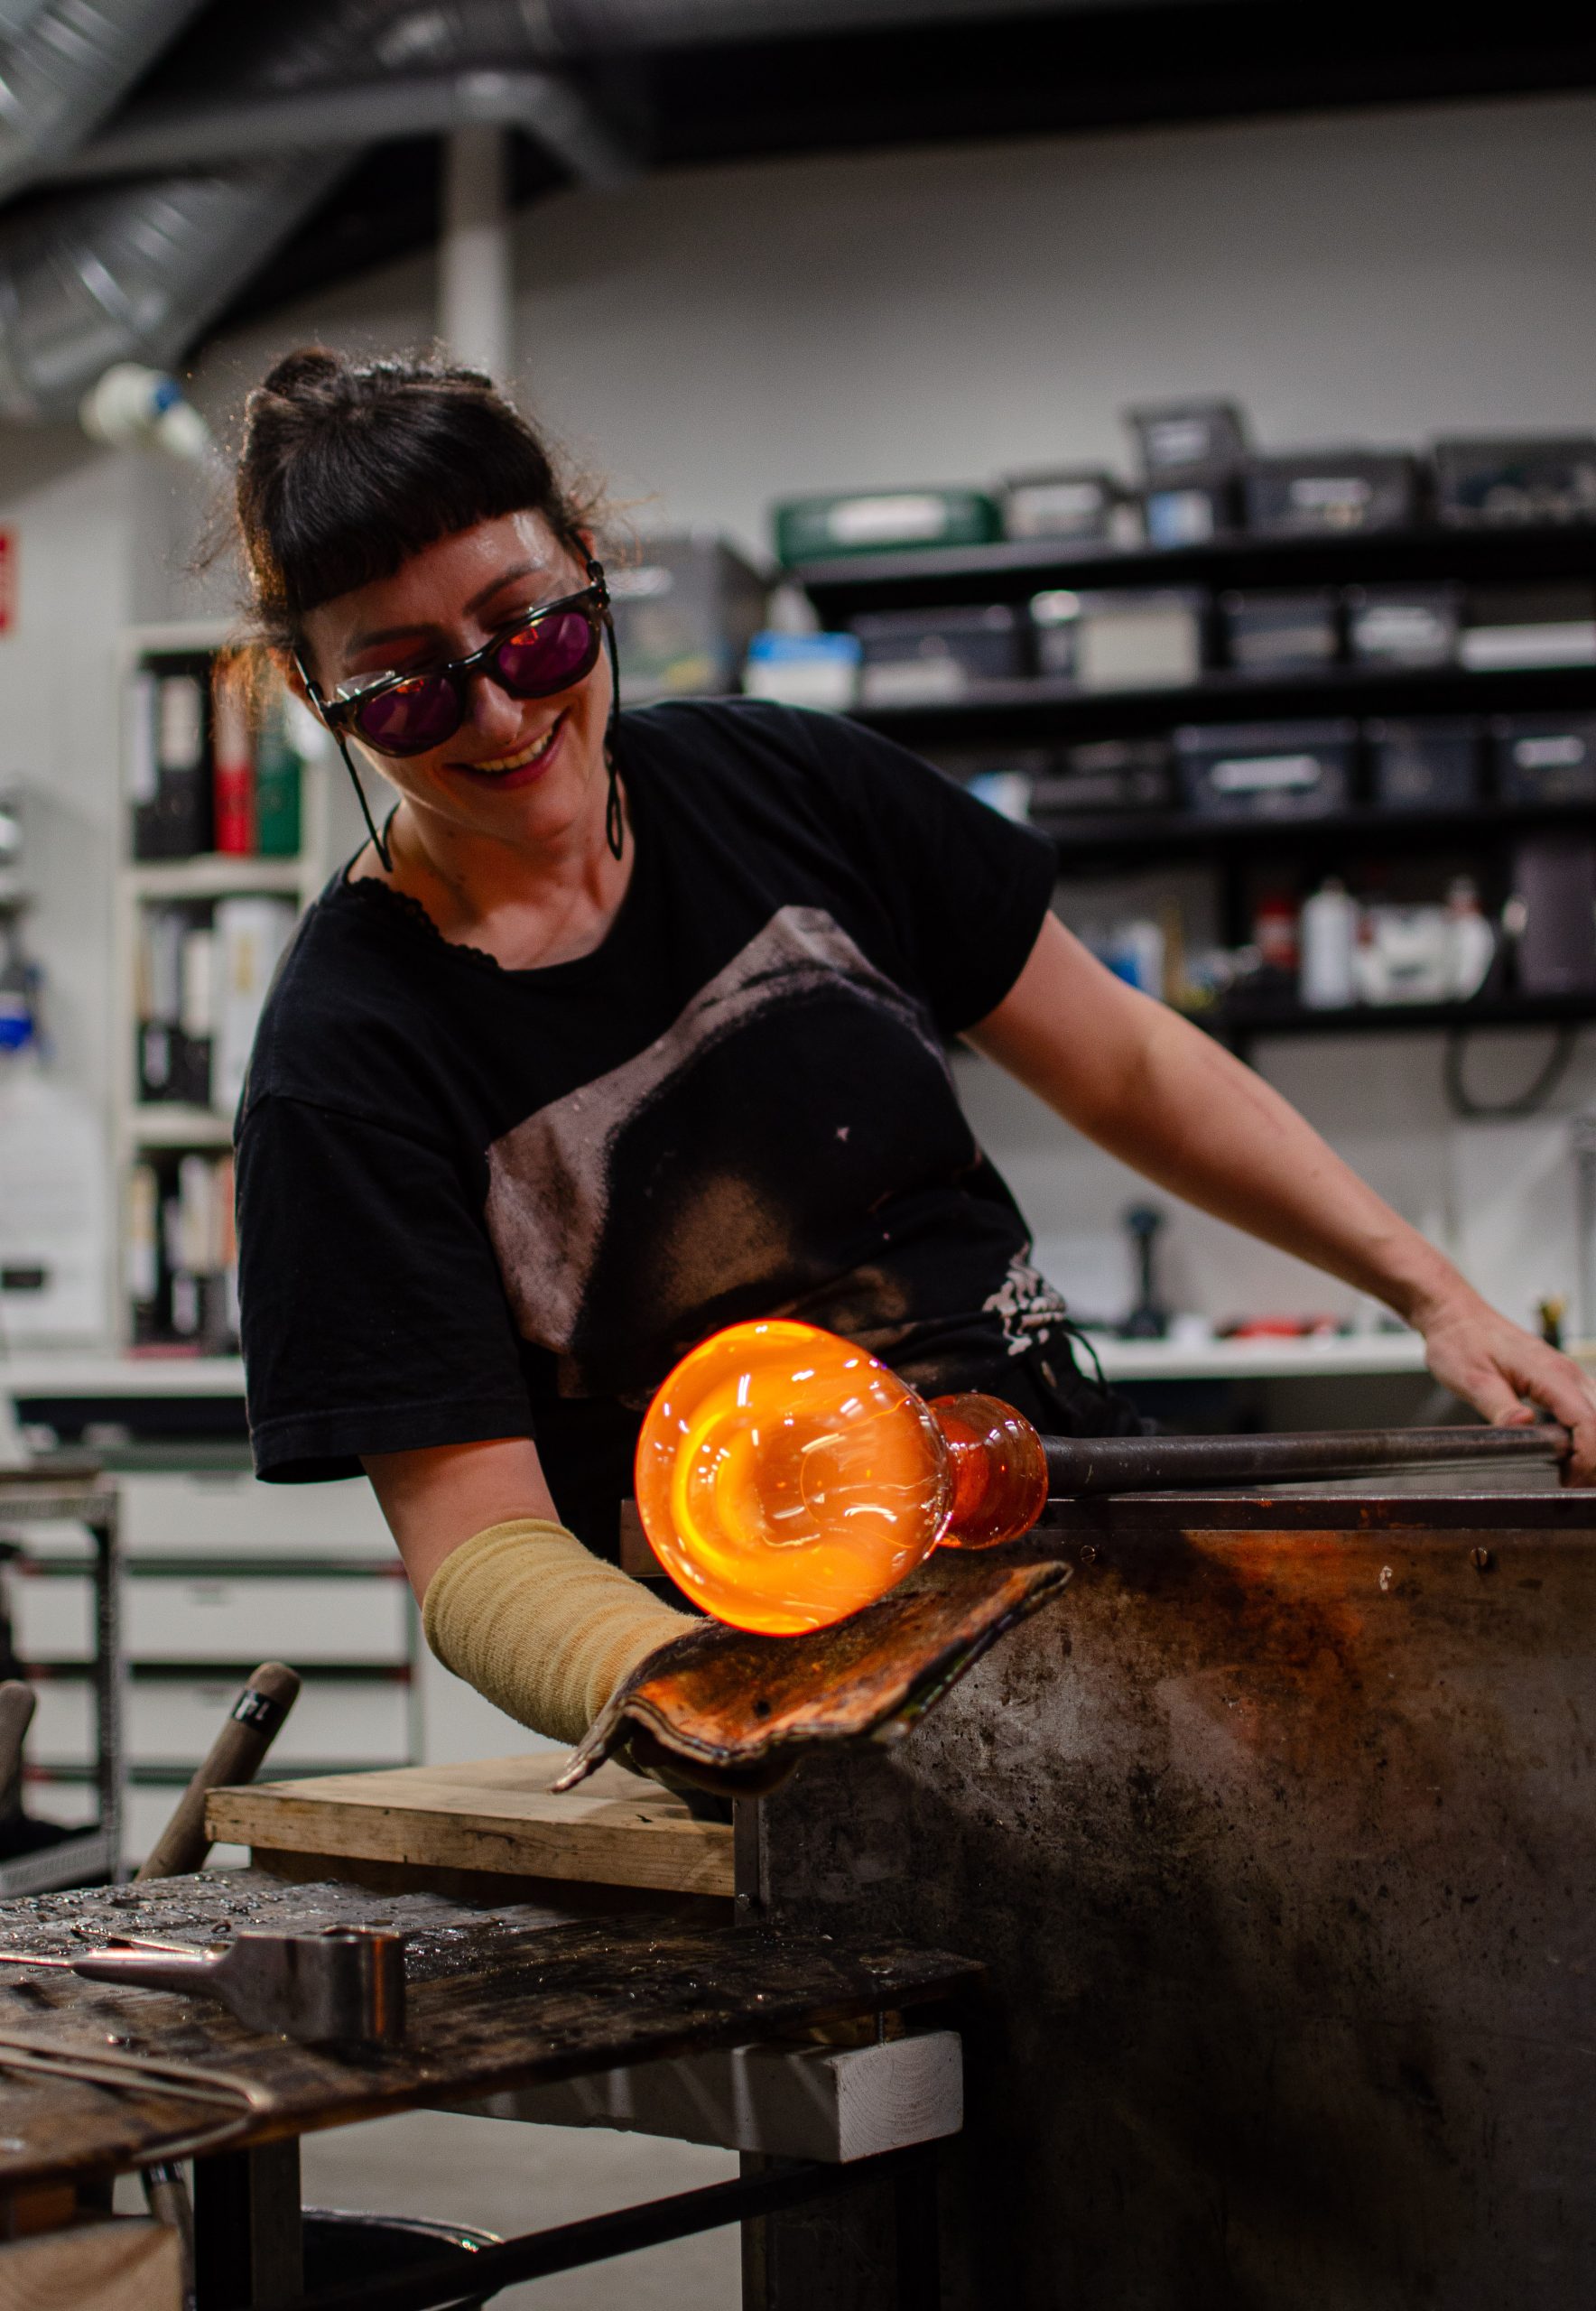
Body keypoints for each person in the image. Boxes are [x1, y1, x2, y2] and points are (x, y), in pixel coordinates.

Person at [231, 348, 1596, 1764]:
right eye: (405, 692)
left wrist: (1437, 1300)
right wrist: (712, 1704)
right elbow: (482, 1552)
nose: (503, 718)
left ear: (589, 563)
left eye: (531, 635)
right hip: (762, 1686)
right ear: (314, 694)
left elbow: (1128, 1065)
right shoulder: (347, 1063)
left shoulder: (791, 786)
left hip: (1075, 1530)